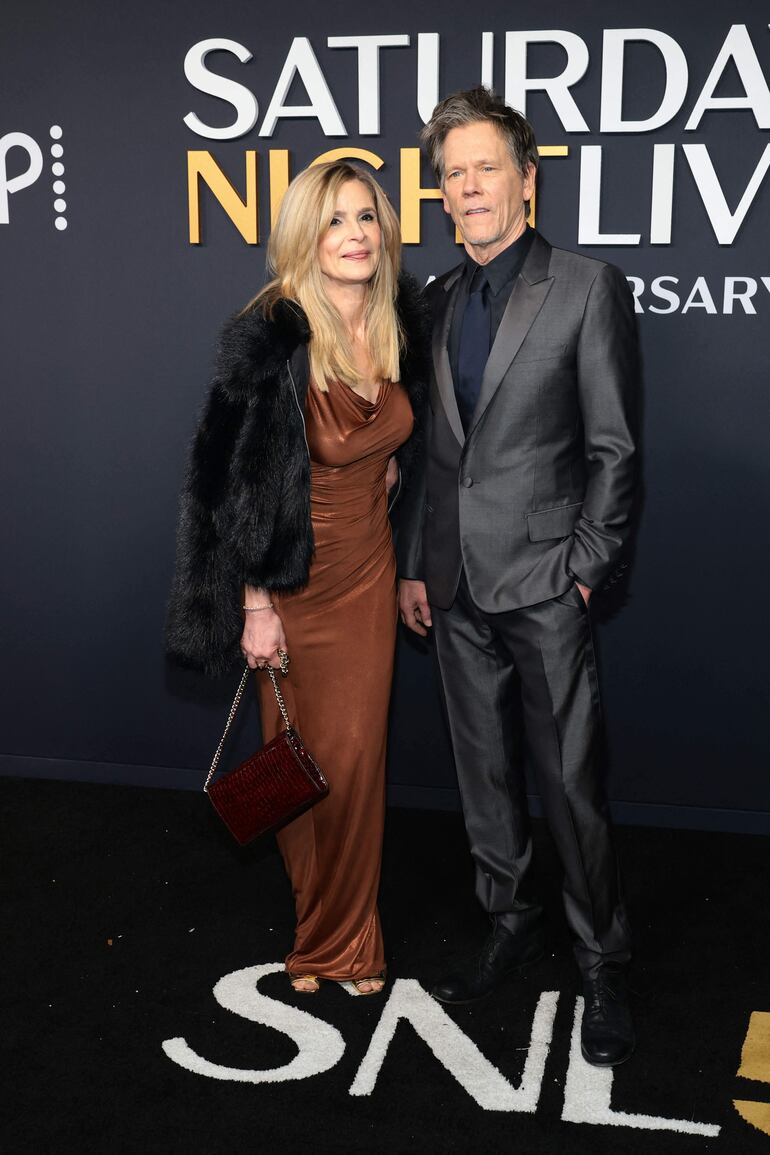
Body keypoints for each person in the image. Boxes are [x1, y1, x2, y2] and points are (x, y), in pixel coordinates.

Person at [397, 87, 639, 1065]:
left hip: (544, 584)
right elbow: (429, 457)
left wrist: (582, 573)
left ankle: (599, 961)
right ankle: (510, 920)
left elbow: (614, 450)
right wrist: (418, 566)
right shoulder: (433, 301)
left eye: (484, 167)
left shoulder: (583, 286)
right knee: (483, 777)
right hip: (452, 587)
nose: (468, 188)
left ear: (525, 179)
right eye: (452, 175)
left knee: (569, 785)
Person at [167, 161, 428, 996]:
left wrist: (384, 468)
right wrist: (254, 604)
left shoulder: (396, 323)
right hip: (291, 584)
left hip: (366, 574)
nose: (355, 235)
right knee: (296, 760)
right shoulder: (274, 333)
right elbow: (226, 486)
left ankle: (348, 939)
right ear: (304, 237)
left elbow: (401, 434)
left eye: (366, 217)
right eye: (335, 220)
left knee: (353, 760)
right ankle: (319, 930)